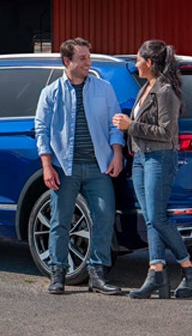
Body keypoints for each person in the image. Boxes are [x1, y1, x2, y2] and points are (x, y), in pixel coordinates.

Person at [112, 39, 192, 299]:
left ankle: (188, 269)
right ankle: (156, 275)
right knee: (151, 219)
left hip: (160, 158)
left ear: (149, 62)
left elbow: (167, 132)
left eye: (139, 59)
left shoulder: (165, 91)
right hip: (141, 158)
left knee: (158, 218)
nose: (135, 64)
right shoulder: (147, 87)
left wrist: (131, 126)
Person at [34, 37, 125, 295]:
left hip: (99, 166)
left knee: (105, 217)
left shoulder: (104, 89)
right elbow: (41, 130)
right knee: (60, 221)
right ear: (67, 61)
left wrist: (117, 154)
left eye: (89, 57)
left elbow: (114, 124)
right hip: (65, 167)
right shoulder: (50, 93)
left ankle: (97, 275)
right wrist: (47, 166)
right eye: (82, 58)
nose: (88, 62)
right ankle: (58, 274)